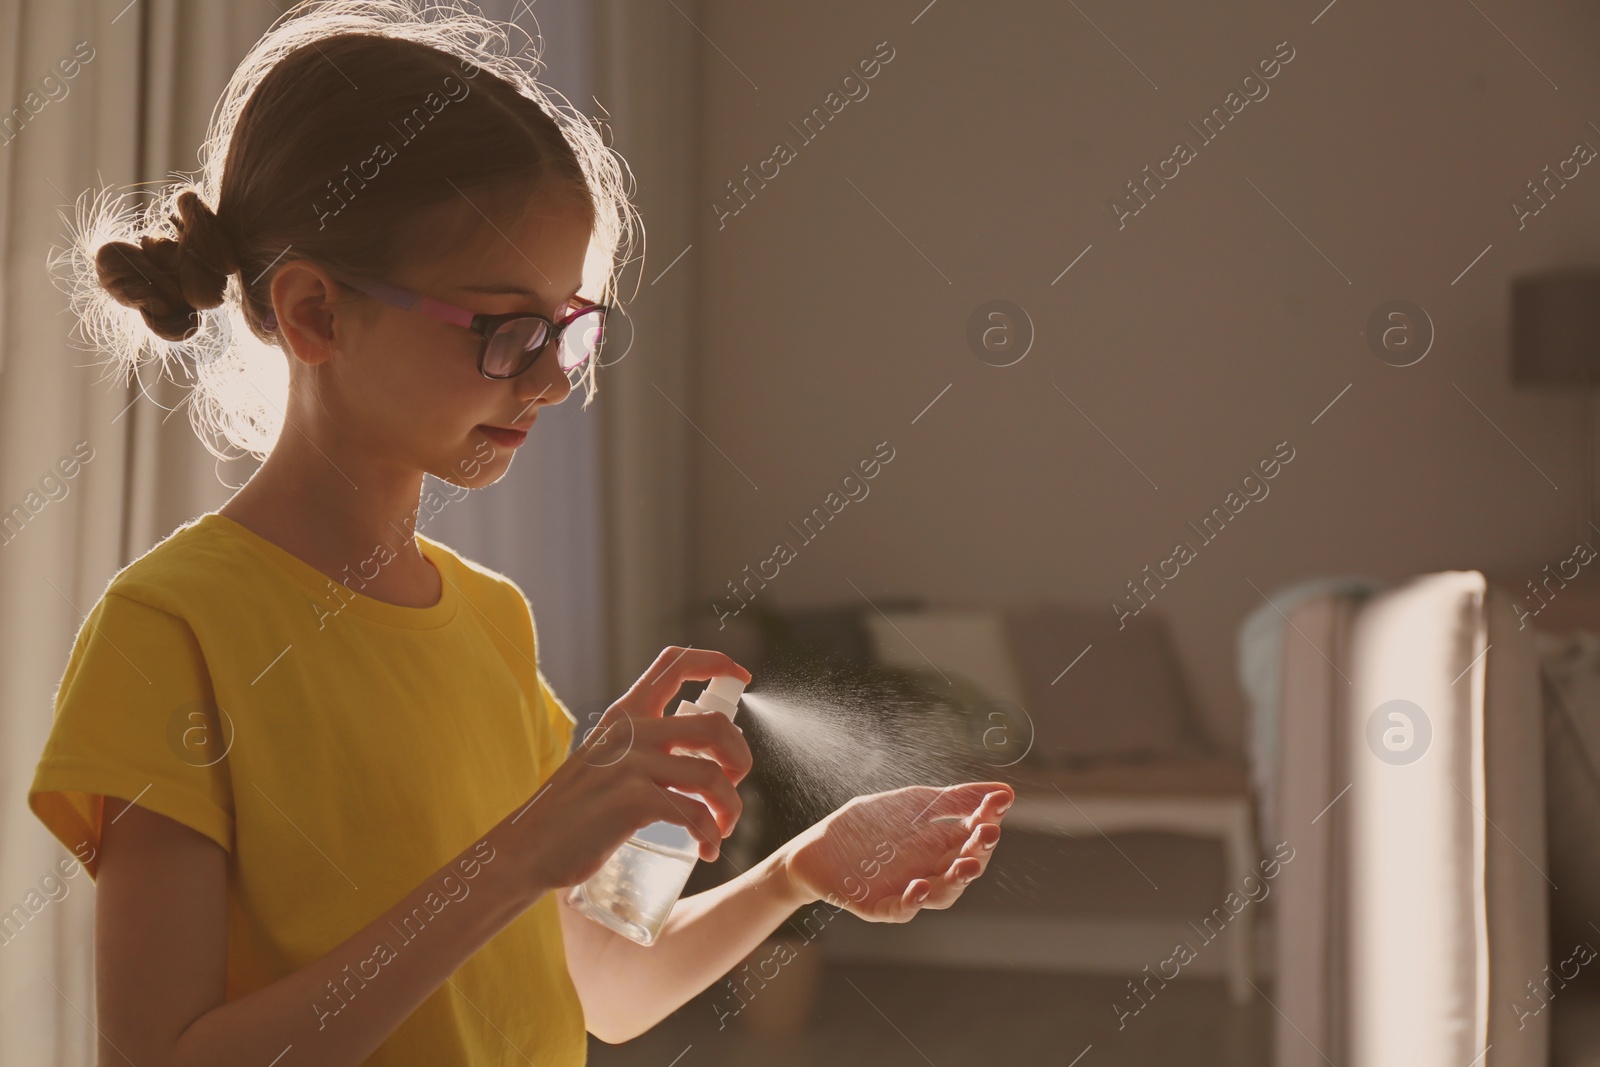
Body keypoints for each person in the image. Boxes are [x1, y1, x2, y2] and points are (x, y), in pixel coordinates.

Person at [27, 2, 1014, 1064]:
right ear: (314, 312)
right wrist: (516, 856)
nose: (551, 380)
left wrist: (800, 870)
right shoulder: (171, 628)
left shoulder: (491, 622)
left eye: (569, 328)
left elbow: (606, 986)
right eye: (506, 329)